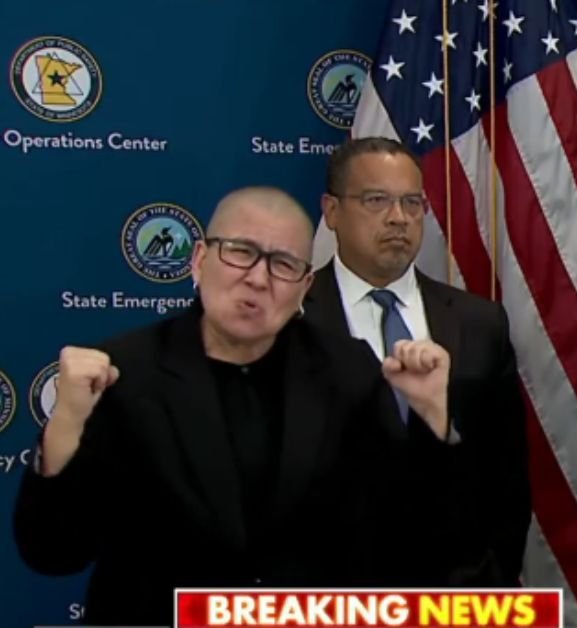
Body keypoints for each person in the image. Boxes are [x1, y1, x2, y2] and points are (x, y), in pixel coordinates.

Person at [13, 187, 458, 626]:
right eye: (240, 252)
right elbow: (53, 552)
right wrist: (66, 425)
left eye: (283, 264)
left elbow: (413, 541)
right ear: (199, 261)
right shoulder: (124, 373)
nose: (259, 279)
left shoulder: (349, 371)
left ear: (304, 286)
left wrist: (431, 419)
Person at [304, 137, 530, 587]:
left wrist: (489, 579)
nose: (398, 218)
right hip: (329, 594)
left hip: (454, 593)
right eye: (376, 200)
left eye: (412, 202)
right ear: (331, 211)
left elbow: (507, 478)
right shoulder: (294, 315)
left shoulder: (479, 322)